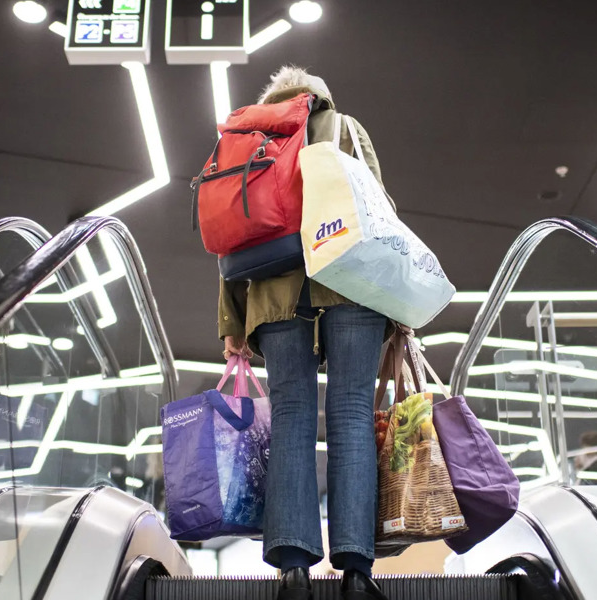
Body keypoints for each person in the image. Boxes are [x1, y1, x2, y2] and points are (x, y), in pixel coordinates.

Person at [219, 66, 393, 600]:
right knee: (352, 414)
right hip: (350, 287)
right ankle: (356, 572)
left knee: (292, 418)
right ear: (319, 97)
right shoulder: (344, 127)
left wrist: (232, 322)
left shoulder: (245, 144)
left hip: (272, 296)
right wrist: (397, 298)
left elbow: (226, 236)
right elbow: (377, 209)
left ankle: (293, 570)